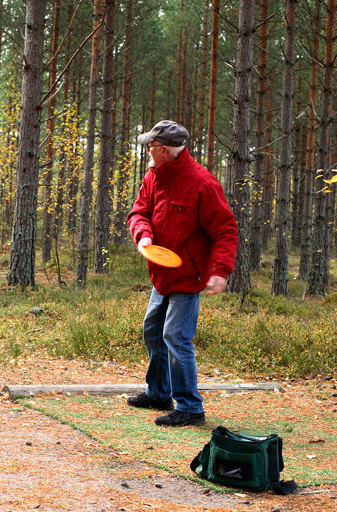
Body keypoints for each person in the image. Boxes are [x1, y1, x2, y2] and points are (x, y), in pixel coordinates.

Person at [126, 120, 238, 427]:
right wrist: (143, 235)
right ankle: (159, 393)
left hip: (189, 275)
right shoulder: (153, 176)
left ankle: (190, 407)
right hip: (161, 271)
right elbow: (139, 212)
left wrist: (220, 271)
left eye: (151, 146)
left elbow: (225, 230)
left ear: (164, 150)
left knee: (175, 335)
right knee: (153, 330)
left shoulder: (203, 183)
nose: (147, 150)